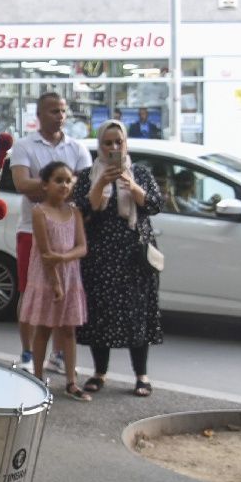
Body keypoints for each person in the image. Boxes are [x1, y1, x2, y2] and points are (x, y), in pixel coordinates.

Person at [74, 121, 164, 396]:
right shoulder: (89, 175)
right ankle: (99, 373)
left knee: (137, 314)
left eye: (118, 142)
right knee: (100, 315)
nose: (114, 147)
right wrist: (101, 182)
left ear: (126, 143)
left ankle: (142, 375)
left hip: (135, 257)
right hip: (100, 258)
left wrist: (131, 185)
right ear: (99, 145)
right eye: (107, 143)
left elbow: (155, 205)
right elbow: (81, 209)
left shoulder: (140, 172)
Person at [8, 93, 92, 370]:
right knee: (30, 292)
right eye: (54, 111)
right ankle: (27, 353)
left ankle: (58, 356)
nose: (60, 116)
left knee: (64, 293)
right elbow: (21, 184)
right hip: (30, 230)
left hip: (65, 230)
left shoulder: (77, 147)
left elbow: (83, 187)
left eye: (63, 111)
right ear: (40, 115)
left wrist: (47, 185)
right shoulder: (23, 146)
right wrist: (61, 184)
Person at [19, 161, 87, 398]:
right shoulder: (39, 211)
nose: (65, 185)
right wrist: (56, 281)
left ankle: (71, 381)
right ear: (45, 184)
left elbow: (82, 247)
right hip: (47, 277)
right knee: (44, 329)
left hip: (70, 276)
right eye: (59, 180)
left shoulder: (74, 211)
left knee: (68, 330)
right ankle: (37, 379)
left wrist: (63, 257)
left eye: (68, 180)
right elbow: (46, 254)